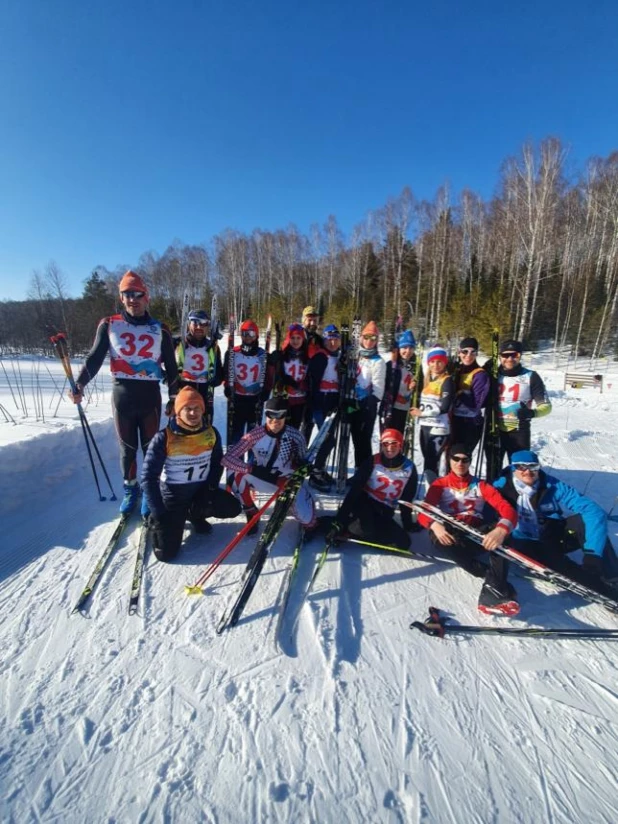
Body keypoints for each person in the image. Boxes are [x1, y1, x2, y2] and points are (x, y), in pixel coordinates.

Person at [70, 270, 179, 515]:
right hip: (122, 395)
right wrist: (80, 384)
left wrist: (174, 398)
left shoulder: (160, 329)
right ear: (121, 297)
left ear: (146, 297)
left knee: (151, 447)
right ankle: (131, 489)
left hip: (150, 395)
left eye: (137, 294)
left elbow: (171, 367)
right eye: (127, 294)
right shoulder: (109, 324)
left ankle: (149, 489)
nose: (133, 299)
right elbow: (95, 358)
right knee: (127, 447)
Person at [493, 450, 618, 591]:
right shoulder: (499, 487)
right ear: (513, 468)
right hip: (521, 542)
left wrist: (593, 555)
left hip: (551, 537)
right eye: (521, 467)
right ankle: (592, 583)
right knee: (569, 571)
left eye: (533, 466)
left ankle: (613, 578)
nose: (528, 471)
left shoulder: (551, 484)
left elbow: (593, 511)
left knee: (586, 521)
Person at [417, 442, 519, 615]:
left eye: (465, 460)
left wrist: (500, 530)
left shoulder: (481, 486)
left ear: (470, 462)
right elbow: (423, 511)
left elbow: (508, 510)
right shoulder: (440, 485)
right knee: (438, 538)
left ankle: (494, 588)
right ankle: (495, 579)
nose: (460, 463)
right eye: (455, 459)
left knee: (505, 533)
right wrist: (436, 525)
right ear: (449, 460)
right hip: (453, 534)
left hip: (476, 532)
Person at [141, 387, 241, 561]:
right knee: (166, 554)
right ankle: (158, 520)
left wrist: (209, 491)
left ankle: (194, 514)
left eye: (197, 408)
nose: (193, 413)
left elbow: (217, 463)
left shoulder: (211, 433)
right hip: (173, 498)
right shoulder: (164, 437)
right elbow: (148, 478)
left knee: (232, 507)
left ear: (203, 410)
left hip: (199, 493)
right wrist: (158, 512)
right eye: (188, 408)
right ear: (179, 411)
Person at [221, 396, 317, 535]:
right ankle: (251, 511)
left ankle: (297, 504)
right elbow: (227, 459)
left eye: (280, 415)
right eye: (270, 414)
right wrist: (250, 469)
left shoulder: (296, 437)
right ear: (265, 414)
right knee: (234, 472)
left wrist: (304, 468)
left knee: (308, 521)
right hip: (262, 477)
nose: (275, 420)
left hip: (286, 480)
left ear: (286, 416)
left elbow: (303, 461)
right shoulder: (255, 435)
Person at [329, 428, 418, 550]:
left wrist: (407, 524)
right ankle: (333, 526)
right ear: (381, 445)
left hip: (384, 511)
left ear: (400, 445)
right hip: (365, 503)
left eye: (394, 443)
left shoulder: (409, 468)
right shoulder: (373, 462)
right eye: (386, 443)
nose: (389, 448)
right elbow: (354, 492)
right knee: (367, 528)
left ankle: (356, 529)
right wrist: (340, 520)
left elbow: (407, 498)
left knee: (403, 543)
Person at [487, 339, 552, 470]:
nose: (510, 359)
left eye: (514, 355)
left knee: (520, 468)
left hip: (519, 430)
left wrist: (532, 413)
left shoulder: (531, 376)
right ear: (500, 357)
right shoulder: (492, 375)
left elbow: (546, 406)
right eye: (505, 355)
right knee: (493, 469)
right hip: (495, 429)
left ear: (520, 356)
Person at [409, 346, 454, 482]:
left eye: (439, 361)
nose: (436, 365)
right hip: (425, 427)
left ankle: (432, 496)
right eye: (433, 361)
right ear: (428, 363)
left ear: (445, 362)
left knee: (431, 463)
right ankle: (431, 492)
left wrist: (422, 413)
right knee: (428, 462)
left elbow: (444, 407)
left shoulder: (447, 380)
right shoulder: (428, 380)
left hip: (439, 428)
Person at [307, 323, 342, 489]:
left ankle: (319, 469)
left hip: (333, 401)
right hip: (321, 401)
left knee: (328, 438)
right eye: (329, 340)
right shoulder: (320, 356)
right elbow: (312, 381)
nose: (333, 343)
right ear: (325, 340)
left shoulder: (341, 357)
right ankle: (315, 472)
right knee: (327, 439)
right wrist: (314, 405)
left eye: (336, 339)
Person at [223, 319, 269, 445]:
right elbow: (226, 373)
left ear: (257, 335)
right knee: (236, 436)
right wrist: (227, 386)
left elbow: (269, 376)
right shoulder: (233, 353)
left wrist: (266, 391)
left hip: (255, 400)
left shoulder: (263, 355)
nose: (248, 337)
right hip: (237, 399)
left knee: (253, 437)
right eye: (244, 333)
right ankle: (235, 461)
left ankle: (252, 462)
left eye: (251, 333)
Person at [176, 309, 223, 425]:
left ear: (208, 327)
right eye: (195, 322)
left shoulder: (213, 347)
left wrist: (217, 379)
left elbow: (220, 371)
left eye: (203, 323)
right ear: (188, 324)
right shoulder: (179, 345)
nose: (199, 327)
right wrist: (168, 379)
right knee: (183, 426)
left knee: (204, 428)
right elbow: (159, 362)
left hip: (205, 392)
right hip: (184, 391)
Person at [349, 321, 386, 467]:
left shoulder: (378, 362)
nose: (369, 341)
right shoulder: (355, 356)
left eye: (373, 338)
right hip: (352, 404)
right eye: (366, 337)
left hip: (366, 407)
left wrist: (363, 404)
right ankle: (359, 471)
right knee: (354, 440)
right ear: (361, 338)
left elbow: (378, 392)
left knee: (363, 442)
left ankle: (364, 474)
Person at [268, 323, 310, 430]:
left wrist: (304, 385)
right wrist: (272, 360)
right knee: (281, 428)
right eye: (292, 338)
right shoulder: (283, 355)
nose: (295, 341)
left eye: (298, 338)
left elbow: (311, 376)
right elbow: (275, 374)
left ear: (302, 339)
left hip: (300, 400)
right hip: (285, 398)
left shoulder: (307, 356)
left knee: (295, 428)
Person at [451, 337, 490, 453]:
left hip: (470, 424)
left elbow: (478, 403)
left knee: (462, 458)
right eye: (465, 351)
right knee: (450, 457)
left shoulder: (479, 374)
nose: (469, 355)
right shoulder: (457, 371)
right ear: (459, 352)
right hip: (454, 420)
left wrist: (460, 394)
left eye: (473, 352)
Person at [380, 329, 418, 434]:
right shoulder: (391, 365)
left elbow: (420, 388)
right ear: (399, 348)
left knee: (400, 441)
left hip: (405, 410)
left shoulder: (416, 366)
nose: (408, 351)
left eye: (411, 348)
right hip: (390, 409)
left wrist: (414, 387)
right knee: (388, 439)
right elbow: (383, 386)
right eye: (404, 347)